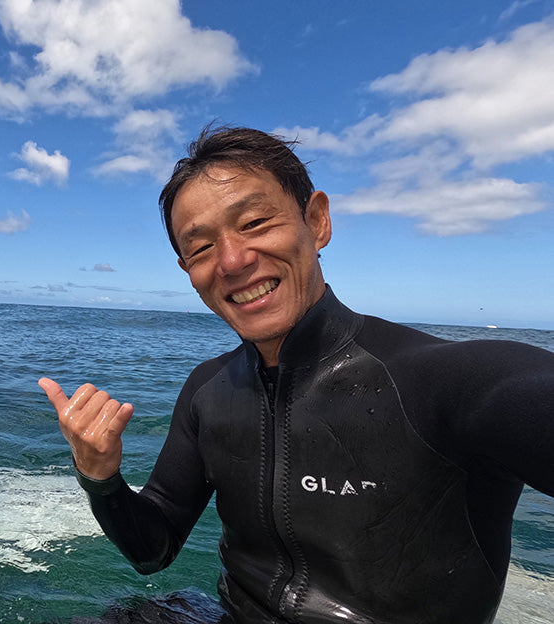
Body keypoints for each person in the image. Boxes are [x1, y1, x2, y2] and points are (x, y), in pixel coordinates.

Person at [39, 124, 554, 623]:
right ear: (187, 270)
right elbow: (153, 550)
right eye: (200, 247)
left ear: (317, 221)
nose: (233, 260)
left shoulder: (449, 381)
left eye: (255, 223)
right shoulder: (207, 390)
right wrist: (99, 476)